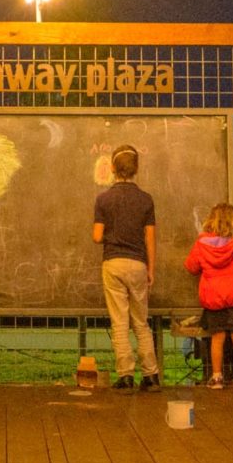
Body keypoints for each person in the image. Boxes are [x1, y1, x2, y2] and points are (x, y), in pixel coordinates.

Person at [92, 144, 160, 390]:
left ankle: (126, 375)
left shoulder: (103, 199)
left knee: (119, 323)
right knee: (141, 322)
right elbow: (150, 238)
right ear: (136, 169)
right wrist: (151, 269)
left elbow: (97, 236)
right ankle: (151, 374)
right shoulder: (146, 200)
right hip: (138, 264)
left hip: (113, 262)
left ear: (112, 168)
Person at [186, 202, 233, 388]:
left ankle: (216, 377)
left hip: (214, 299)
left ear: (211, 220)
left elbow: (191, 267)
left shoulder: (201, 244)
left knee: (217, 338)